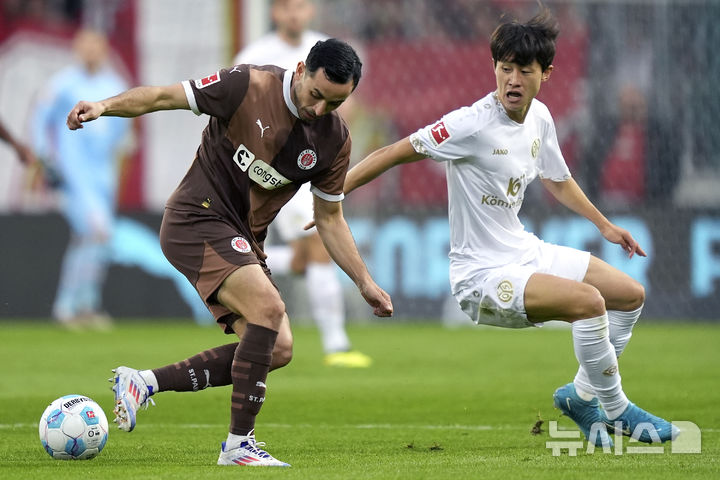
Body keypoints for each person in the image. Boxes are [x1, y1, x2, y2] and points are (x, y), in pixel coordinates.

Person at [342, 8, 677, 447]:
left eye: (525, 69)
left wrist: (606, 225)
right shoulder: (470, 124)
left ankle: (581, 395)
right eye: (505, 68)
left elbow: (557, 179)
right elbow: (392, 152)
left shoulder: (539, 118)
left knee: (630, 296)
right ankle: (615, 409)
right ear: (495, 68)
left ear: (546, 74)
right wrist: (333, 195)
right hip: (481, 275)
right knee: (590, 303)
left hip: (523, 251)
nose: (513, 79)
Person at [66, 38, 393, 467]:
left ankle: (142, 383)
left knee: (278, 348)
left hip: (242, 239)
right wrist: (105, 107)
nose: (319, 110)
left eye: (333, 104)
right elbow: (165, 96)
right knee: (269, 308)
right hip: (194, 218)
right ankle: (239, 445)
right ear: (300, 70)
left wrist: (365, 282)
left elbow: (329, 219)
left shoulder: (334, 140)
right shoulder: (246, 85)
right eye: (316, 95)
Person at [233, 0, 372, 368]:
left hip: (315, 166)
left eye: (300, 6)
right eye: (286, 7)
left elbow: (350, 110)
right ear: (275, 13)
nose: (294, 14)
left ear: (310, 10)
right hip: (277, 170)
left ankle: (227, 259)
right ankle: (336, 344)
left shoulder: (328, 52)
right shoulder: (257, 53)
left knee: (302, 259)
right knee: (318, 246)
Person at [32, 28, 130, 329]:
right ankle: (70, 306)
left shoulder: (114, 84)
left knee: (91, 239)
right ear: (77, 49)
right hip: (73, 174)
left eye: (96, 46)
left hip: (103, 177)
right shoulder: (63, 84)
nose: (91, 52)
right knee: (96, 232)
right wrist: (45, 159)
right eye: (85, 46)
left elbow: (122, 133)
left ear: (103, 49)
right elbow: (39, 120)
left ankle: (81, 305)